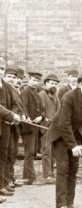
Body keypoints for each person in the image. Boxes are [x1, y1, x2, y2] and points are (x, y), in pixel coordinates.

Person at [47, 70, 82, 208]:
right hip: (59, 134)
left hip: (74, 134)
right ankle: (61, 204)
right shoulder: (69, 97)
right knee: (63, 169)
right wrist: (73, 146)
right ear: (79, 85)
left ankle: (70, 203)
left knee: (73, 170)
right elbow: (64, 124)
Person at [0, 68, 22, 199]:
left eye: (1, 68)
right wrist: (11, 115)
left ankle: (2, 185)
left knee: (4, 156)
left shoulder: (6, 86)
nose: (0, 71)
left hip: (5, 127)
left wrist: (12, 116)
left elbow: (14, 103)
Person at [21, 72, 44, 185]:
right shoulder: (25, 92)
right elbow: (23, 106)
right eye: (34, 80)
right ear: (29, 79)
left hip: (35, 126)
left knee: (32, 152)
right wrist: (27, 117)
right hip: (27, 126)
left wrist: (40, 116)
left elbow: (41, 109)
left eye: (37, 81)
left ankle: (26, 177)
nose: (35, 83)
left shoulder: (37, 92)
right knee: (29, 152)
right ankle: (31, 177)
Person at [39, 74, 60, 183]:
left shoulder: (55, 96)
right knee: (46, 151)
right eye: (51, 83)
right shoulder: (42, 95)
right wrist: (45, 119)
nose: (54, 85)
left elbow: (59, 110)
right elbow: (40, 110)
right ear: (46, 84)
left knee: (53, 152)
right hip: (45, 127)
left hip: (54, 127)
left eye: (55, 84)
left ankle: (51, 173)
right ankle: (46, 175)